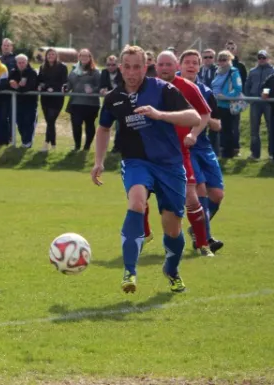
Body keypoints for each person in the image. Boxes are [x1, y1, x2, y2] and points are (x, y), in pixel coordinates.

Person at [91, 45, 200, 294]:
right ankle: (130, 271)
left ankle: (171, 270)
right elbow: (103, 128)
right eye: (127, 67)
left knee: (171, 226)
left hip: (170, 165)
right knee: (137, 202)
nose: (132, 73)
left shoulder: (163, 90)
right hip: (136, 162)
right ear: (120, 68)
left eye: (137, 67)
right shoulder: (113, 98)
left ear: (145, 67)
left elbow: (194, 118)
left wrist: (159, 115)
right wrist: (99, 161)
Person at [150, 50, 214, 257]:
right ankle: (144, 233)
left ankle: (203, 244)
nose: (165, 68)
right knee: (138, 194)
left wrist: (194, 133)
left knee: (191, 199)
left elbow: (204, 114)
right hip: (151, 154)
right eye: (162, 64)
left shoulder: (188, 87)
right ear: (156, 67)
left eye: (169, 64)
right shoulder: (148, 87)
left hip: (179, 153)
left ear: (176, 65)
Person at [179, 49, 225, 253]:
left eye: (194, 63)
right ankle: (204, 239)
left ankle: (197, 230)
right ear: (180, 66)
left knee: (217, 194)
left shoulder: (206, 92)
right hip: (184, 146)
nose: (191, 66)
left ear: (200, 66)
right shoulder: (172, 88)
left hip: (203, 146)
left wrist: (207, 120)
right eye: (187, 62)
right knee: (200, 190)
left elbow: (217, 124)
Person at [64, 48, 101, 151]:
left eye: (86, 56)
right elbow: (69, 84)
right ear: (79, 57)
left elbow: (100, 86)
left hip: (91, 104)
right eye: (82, 56)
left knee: (89, 125)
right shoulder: (74, 70)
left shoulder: (95, 71)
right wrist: (66, 88)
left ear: (90, 58)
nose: (84, 58)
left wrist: (93, 90)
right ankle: (77, 146)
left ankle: (87, 146)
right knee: (76, 125)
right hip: (76, 103)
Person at [211, 50, 242, 159]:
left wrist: (226, 96)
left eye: (224, 60)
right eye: (220, 60)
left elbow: (238, 88)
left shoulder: (233, 72)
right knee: (216, 129)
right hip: (216, 104)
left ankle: (227, 154)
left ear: (229, 60)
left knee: (227, 130)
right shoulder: (217, 71)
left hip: (227, 105)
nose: (222, 62)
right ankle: (217, 151)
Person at [245, 50, 274, 160]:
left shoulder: (273, 71)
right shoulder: (252, 71)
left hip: (269, 104)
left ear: (268, 58)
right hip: (255, 103)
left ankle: (272, 154)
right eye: (260, 58)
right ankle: (255, 154)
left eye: (264, 57)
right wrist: (249, 99)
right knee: (254, 130)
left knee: (271, 129)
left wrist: (268, 94)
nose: (261, 60)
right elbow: (247, 85)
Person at [37, 47, 68, 151]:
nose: (50, 56)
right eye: (49, 54)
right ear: (46, 56)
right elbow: (40, 80)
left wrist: (53, 88)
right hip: (45, 97)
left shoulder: (62, 67)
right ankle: (52, 145)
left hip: (57, 97)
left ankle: (48, 143)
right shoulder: (42, 67)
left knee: (51, 120)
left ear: (56, 56)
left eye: (53, 54)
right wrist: (43, 87)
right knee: (49, 121)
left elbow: (63, 81)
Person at [8, 54, 38, 148]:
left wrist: (17, 87)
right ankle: (25, 140)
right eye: (19, 62)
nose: (21, 64)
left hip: (30, 102)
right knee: (19, 122)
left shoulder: (32, 72)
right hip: (17, 101)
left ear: (27, 62)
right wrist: (11, 83)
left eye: (23, 62)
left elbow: (30, 86)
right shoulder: (13, 72)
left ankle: (27, 142)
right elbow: (8, 83)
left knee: (28, 121)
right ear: (16, 63)